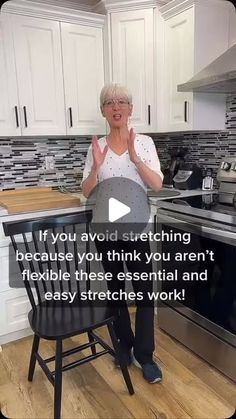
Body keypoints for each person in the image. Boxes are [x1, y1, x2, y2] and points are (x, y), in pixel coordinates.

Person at [82, 83, 163, 383]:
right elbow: (86, 190)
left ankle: (145, 355)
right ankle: (123, 347)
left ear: (130, 109)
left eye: (121, 102)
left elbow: (155, 184)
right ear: (103, 110)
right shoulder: (97, 147)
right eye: (109, 102)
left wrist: (135, 159)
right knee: (116, 291)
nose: (116, 107)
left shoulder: (143, 143)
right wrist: (96, 168)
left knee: (143, 293)